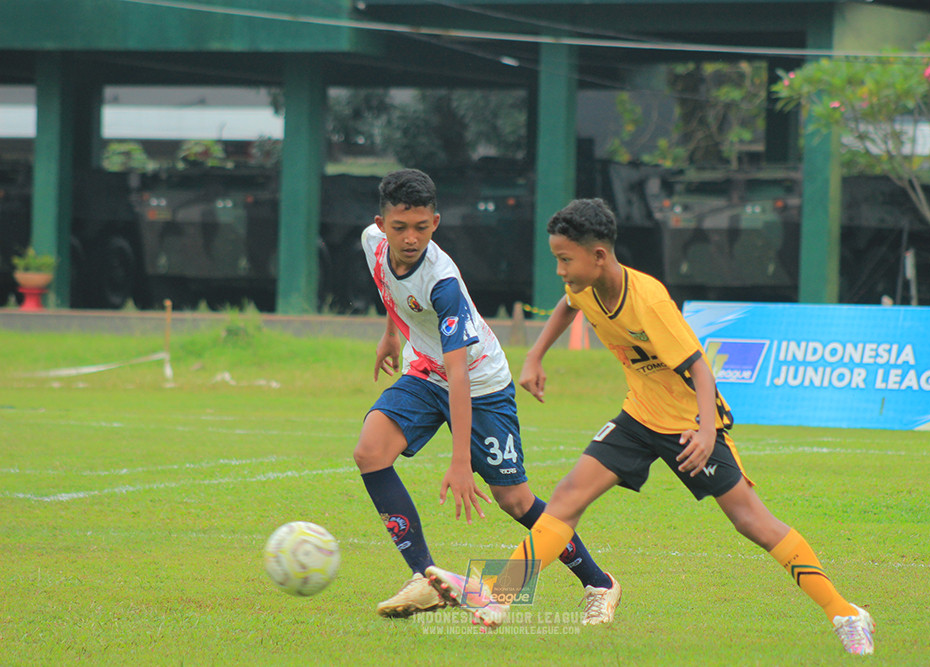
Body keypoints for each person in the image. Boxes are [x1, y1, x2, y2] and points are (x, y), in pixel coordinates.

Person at [426, 198, 874, 655]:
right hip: (638, 418)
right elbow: (567, 305)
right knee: (565, 499)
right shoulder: (586, 285)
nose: (560, 269)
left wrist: (705, 431)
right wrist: (536, 356)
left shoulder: (649, 301)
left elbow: (700, 368)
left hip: (688, 427)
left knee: (751, 521)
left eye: (565, 259)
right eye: (556, 258)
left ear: (598, 256)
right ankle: (500, 597)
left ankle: (845, 612)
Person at [354, 171, 620, 624]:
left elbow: (458, 374)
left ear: (436, 222)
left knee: (514, 500)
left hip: (480, 383)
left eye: (422, 227)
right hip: (424, 368)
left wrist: (461, 463)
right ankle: (424, 577)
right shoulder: (371, 242)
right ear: (382, 224)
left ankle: (600, 583)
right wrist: (391, 336)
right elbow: (391, 288)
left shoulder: (444, 283)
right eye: (400, 227)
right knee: (369, 452)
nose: (411, 237)